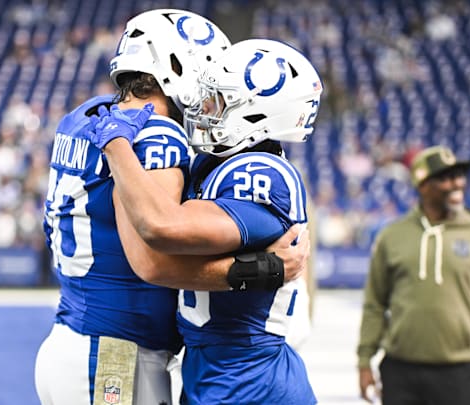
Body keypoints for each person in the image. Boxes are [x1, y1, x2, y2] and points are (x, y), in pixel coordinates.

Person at [34, 10, 309, 405]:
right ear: (178, 68)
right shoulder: (157, 131)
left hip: (74, 337)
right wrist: (262, 270)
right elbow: (153, 258)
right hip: (115, 352)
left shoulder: (86, 115)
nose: (210, 92)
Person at [357, 145, 470, 405]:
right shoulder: (393, 236)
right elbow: (375, 304)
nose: (457, 183)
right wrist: (365, 361)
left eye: (459, 176)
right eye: (445, 177)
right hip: (399, 372)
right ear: (422, 183)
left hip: (458, 372)